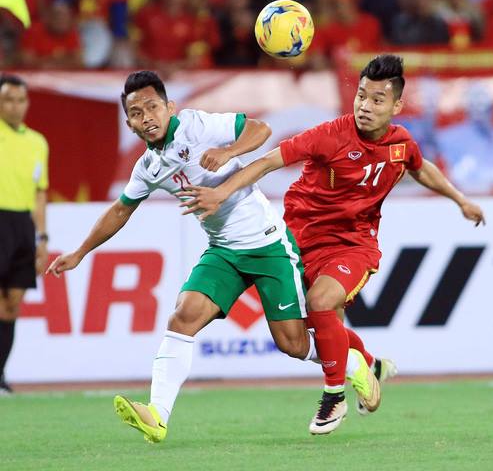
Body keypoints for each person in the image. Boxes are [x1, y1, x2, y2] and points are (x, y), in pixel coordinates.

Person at [46, 71, 378, 441]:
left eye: (153, 107)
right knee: (183, 315)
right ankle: (158, 415)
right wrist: (79, 252)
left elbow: (260, 129)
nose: (147, 117)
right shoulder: (148, 167)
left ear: (170, 107)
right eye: (137, 113)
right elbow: (120, 211)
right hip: (223, 252)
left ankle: (355, 364)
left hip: (268, 245)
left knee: (294, 345)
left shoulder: (195, 125)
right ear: (129, 123)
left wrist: (228, 152)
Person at [179, 54, 486, 426]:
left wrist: (460, 200)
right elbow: (266, 163)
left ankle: (333, 397)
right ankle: (368, 363)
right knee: (309, 334)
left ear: (397, 105)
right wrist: (221, 192)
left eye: (377, 100)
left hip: (354, 244)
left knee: (321, 303)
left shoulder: (401, 142)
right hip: (298, 242)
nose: (365, 106)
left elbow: (420, 168)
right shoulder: (329, 135)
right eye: (361, 96)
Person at [0, 74, 49, 394]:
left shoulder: (37, 142)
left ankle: (1, 374)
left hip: (22, 225)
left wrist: (41, 238)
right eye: (8, 100)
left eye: (20, 100)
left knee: (13, 303)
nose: (15, 106)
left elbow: (40, 193)